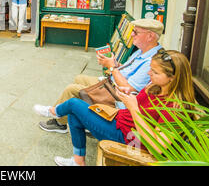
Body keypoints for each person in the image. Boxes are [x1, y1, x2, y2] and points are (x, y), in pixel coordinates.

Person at [33, 49, 196, 166]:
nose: (149, 74)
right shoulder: (155, 87)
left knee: (74, 104)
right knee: (74, 114)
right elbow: (142, 106)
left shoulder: (176, 109)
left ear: (172, 78)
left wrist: (133, 108)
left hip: (129, 138)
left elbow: (156, 147)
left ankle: (52, 112)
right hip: (119, 120)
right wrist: (128, 95)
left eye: (155, 72)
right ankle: (78, 161)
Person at [38, 18, 164, 134]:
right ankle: (69, 118)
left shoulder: (151, 61)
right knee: (79, 78)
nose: (132, 35)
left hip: (116, 94)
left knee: (72, 89)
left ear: (150, 36)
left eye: (136, 32)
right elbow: (127, 70)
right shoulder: (144, 51)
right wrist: (115, 63)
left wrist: (112, 67)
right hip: (111, 83)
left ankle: (59, 121)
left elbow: (128, 88)